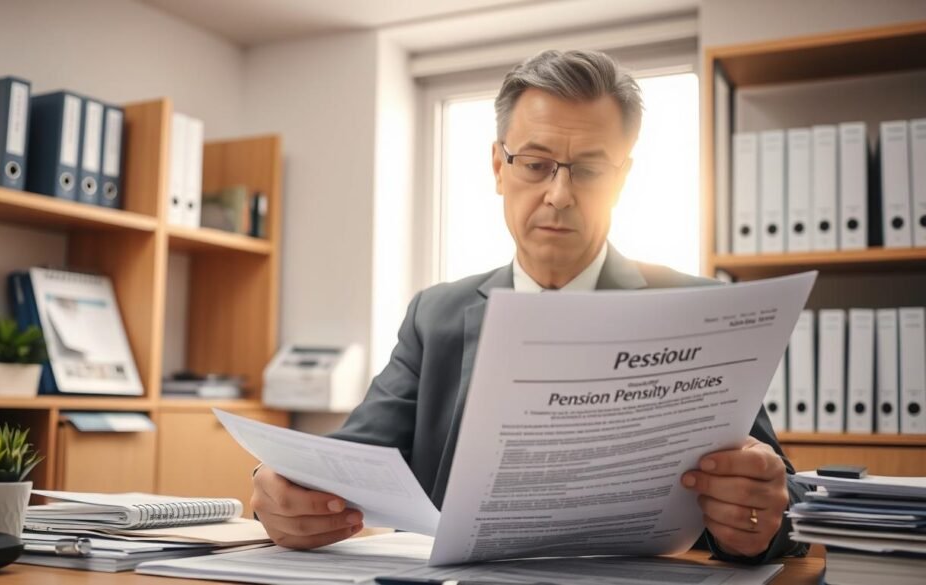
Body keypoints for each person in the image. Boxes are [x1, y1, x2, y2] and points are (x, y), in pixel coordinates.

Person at [252, 49, 807, 563]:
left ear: (622, 179)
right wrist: (280, 492)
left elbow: (776, 492)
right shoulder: (435, 315)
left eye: (588, 169)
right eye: (536, 164)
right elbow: (344, 464)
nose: (560, 195)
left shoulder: (699, 310)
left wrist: (758, 516)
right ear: (499, 167)